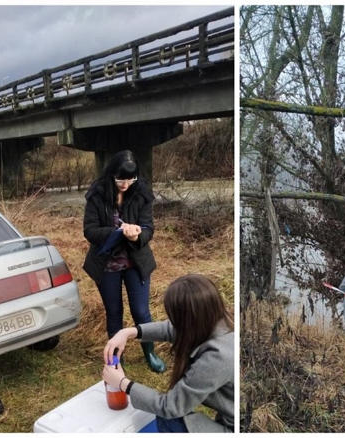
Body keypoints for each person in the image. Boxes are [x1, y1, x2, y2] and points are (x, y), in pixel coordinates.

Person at [102, 274, 234, 433]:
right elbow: (172, 329)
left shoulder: (217, 358)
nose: (173, 323)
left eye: (175, 318)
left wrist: (123, 383)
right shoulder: (219, 322)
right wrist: (130, 332)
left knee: (168, 418)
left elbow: (170, 407)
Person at [83, 150, 166, 373]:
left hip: (135, 263)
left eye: (130, 179)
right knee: (114, 312)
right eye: (121, 179)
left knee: (141, 312)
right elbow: (89, 231)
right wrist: (118, 232)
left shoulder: (142, 194)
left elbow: (149, 228)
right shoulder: (97, 194)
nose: (125, 184)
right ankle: (116, 358)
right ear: (112, 174)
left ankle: (149, 352)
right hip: (106, 263)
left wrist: (137, 235)